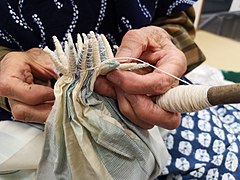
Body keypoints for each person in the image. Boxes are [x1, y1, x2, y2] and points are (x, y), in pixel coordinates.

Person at [4, 0, 234, 179]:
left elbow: (177, 16)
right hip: (16, 124)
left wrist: (163, 44)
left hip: (150, 100)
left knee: (225, 164)